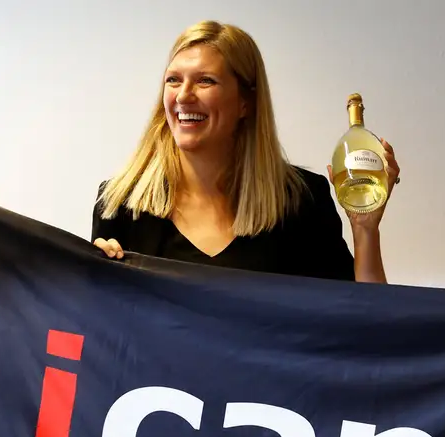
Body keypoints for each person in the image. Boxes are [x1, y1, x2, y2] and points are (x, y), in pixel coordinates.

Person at [91, 20, 397, 283]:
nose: (183, 96)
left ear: (245, 103)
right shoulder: (119, 204)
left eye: (205, 81)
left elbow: (362, 321)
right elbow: (100, 325)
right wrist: (92, 282)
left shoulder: (303, 201)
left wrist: (365, 230)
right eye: (173, 80)